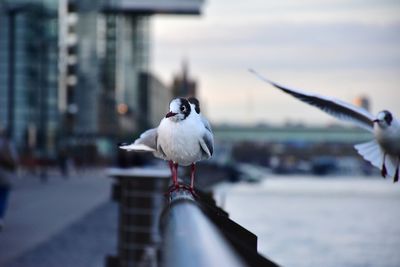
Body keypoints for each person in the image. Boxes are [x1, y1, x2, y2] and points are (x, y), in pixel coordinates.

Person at [0, 128, 18, 231]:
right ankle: (0, 218)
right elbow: (15, 160)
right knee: (3, 197)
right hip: (5, 175)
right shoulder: (8, 144)